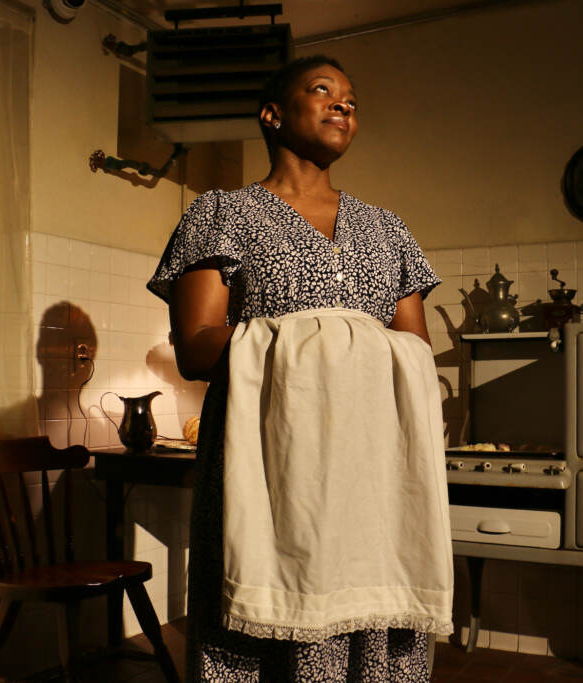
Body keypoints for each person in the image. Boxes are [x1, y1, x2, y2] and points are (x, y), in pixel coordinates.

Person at [149, 55, 444, 682]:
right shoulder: (220, 215)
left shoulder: (388, 230)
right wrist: (317, 334)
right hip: (267, 471)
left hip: (371, 483)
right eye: (323, 91)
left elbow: (416, 355)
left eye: (352, 100)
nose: (344, 106)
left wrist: (330, 340)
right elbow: (197, 347)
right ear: (273, 113)